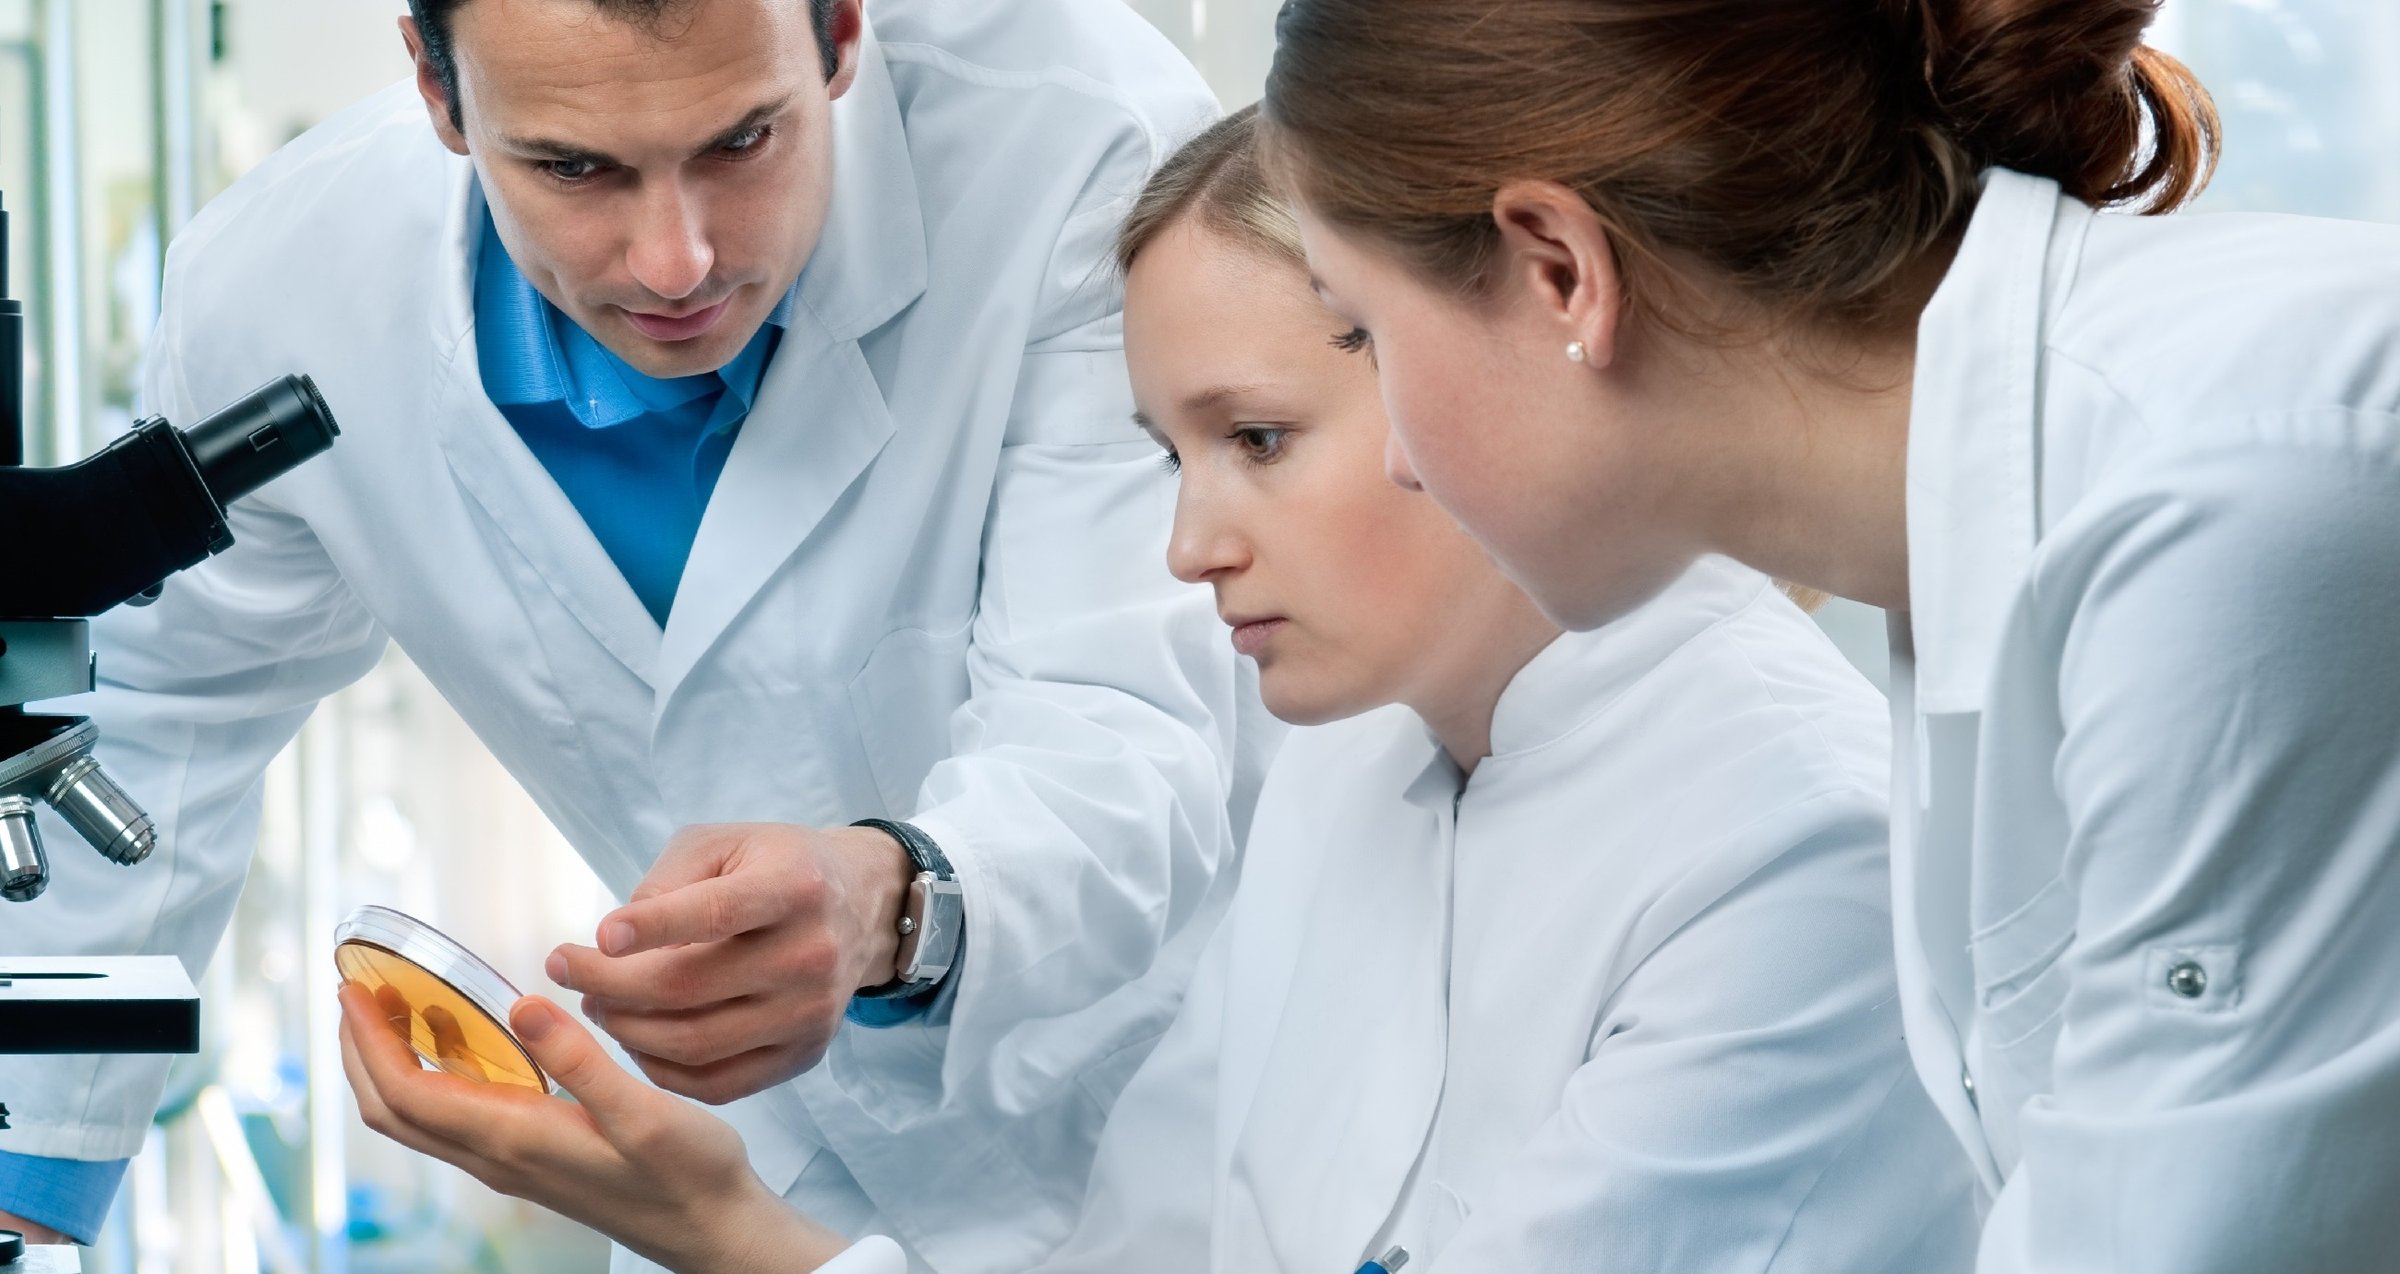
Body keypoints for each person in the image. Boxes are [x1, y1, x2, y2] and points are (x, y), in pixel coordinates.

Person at [335, 105, 1979, 1274]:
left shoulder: (1796, 856)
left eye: (1258, 440)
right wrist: (714, 1209)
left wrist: (734, 1239)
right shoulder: (1348, 771)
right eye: (1171, 453)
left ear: (1505, 343)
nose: (1192, 546)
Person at [0, 1, 1256, 1267]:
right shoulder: (288, 283)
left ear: (838, 37)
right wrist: (26, 1190)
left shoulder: (1077, 140)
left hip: (1176, 1114)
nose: (676, 260)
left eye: (742, 141)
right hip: (741, 1155)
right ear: (439, 94)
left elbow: (1126, 716)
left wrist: (894, 899)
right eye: (572, 168)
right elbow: (159, 708)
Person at [1258, 0, 2400, 1269]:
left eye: (1366, 332)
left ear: (1561, 270)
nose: (1399, 460)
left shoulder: (2219, 489)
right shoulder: (1982, 552)